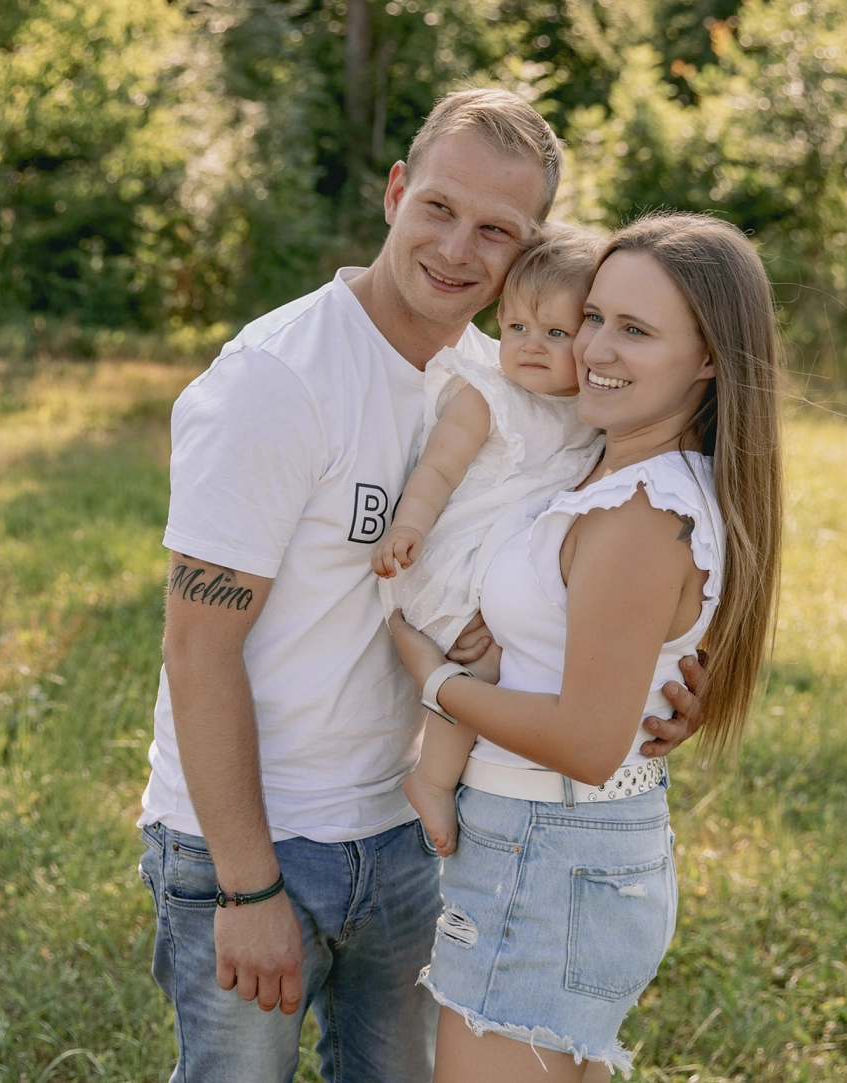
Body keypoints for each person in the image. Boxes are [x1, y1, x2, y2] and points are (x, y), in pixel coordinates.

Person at [135, 90, 709, 1083]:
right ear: (396, 193)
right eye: (439, 207)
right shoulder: (279, 378)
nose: (457, 248)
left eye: (498, 231)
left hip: (418, 838)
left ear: (529, 256)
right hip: (260, 842)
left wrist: (661, 688)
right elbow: (200, 645)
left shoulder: (508, 382)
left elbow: (596, 566)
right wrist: (244, 888)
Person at [388, 210, 784, 1080]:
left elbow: (589, 742)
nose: (596, 348)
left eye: (635, 330)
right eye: (595, 316)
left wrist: (439, 680)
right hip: (552, 849)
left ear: (710, 357)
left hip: (547, 852)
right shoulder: (612, 468)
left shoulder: (637, 511)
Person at [371, 224, 605, 857]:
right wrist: (409, 527)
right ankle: (433, 778)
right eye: (517, 328)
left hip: (500, 571)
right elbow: (439, 468)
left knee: (511, 663)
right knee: (482, 670)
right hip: (450, 561)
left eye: (557, 333)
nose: (531, 346)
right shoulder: (486, 395)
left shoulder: (592, 418)